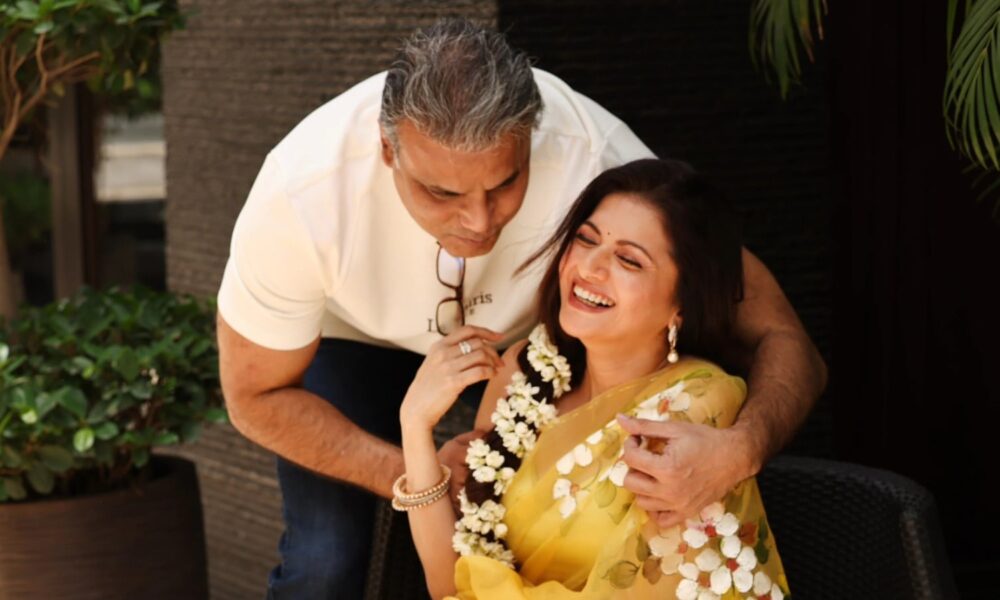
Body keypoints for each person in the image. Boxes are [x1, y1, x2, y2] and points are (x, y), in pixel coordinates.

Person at [216, 18, 826, 598]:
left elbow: (783, 337)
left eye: (505, 184)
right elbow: (254, 396)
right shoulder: (301, 196)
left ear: (532, 135)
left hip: (527, 346)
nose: (479, 222)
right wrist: (414, 467)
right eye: (442, 192)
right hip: (352, 338)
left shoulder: (595, 161)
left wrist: (740, 450)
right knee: (326, 555)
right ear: (387, 149)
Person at [397, 158, 789, 599]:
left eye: (629, 260)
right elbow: (451, 583)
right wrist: (415, 425)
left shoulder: (694, 403)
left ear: (682, 302)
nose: (589, 267)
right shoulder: (522, 371)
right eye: (585, 239)